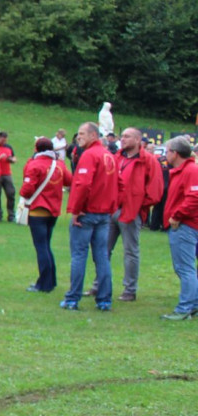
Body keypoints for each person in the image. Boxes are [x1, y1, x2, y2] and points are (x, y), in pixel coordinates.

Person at [61, 122, 119, 311]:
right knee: (102, 256)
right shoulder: (109, 156)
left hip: (88, 212)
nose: (79, 137)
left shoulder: (89, 155)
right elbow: (118, 184)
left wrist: (76, 210)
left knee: (79, 255)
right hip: (104, 213)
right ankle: (104, 299)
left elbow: (83, 184)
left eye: (82, 134)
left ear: (94, 135)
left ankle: (72, 298)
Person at [99, 128, 162, 302]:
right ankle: (100, 284)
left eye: (127, 137)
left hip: (131, 212)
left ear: (137, 140)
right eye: (123, 136)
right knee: (103, 249)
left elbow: (155, 189)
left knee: (130, 251)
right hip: (111, 209)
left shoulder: (148, 160)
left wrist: (138, 205)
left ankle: (130, 289)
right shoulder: (117, 157)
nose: (123, 139)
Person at [19, 137, 71, 293]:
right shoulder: (59, 165)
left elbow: (27, 190)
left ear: (36, 148)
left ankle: (44, 283)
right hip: (54, 210)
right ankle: (50, 280)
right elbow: (69, 181)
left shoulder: (34, 165)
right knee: (47, 246)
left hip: (37, 211)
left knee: (41, 247)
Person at [161, 137, 198, 320]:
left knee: (184, 268)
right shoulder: (185, 170)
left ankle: (185, 308)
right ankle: (193, 304)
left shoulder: (190, 170)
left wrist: (176, 216)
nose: (165, 155)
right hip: (187, 224)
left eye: (167, 151)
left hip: (185, 225)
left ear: (175, 153)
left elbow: (194, 197)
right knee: (187, 268)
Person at [0, 131, 17, 222]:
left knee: (11, 193)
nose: (4, 142)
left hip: (7, 174)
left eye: (5, 140)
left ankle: (11, 215)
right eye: (3, 140)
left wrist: (11, 159)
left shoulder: (8, 147)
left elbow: (14, 158)